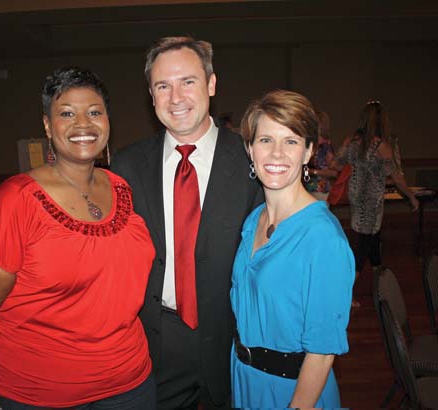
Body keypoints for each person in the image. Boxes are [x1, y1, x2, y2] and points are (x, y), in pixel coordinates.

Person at [0, 67, 157, 410]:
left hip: (130, 383)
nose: (83, 124)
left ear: (108, 121)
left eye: (94, 112)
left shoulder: (122, 187)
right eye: (67, 113)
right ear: (48, 126)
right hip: (42, 394)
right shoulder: (15, 201)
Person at [111, 36, 262, 410]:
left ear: (211, 84)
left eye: (188, 81)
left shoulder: (253, 161)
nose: (175, 97)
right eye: (163, 86)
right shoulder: (126, 167)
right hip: (158, 340)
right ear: (151, 95)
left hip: (235, 337)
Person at [230, 89, 355, 409]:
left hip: (294, 392)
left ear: (308, 151)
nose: (276, 153)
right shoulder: (253, 220)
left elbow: (322, 352)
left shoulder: (323, 239)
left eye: (291, 141)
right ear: (250, 148)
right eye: (265, 140)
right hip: (245, 382)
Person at [333, 100, 419, 307]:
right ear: (382, 121)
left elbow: (335, 164)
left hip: (357, 199)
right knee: (363, 246)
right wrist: (411, 196)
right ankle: (344, 294)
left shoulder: (353, 142)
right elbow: (397, 177)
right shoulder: (383, 146)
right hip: (370, 201)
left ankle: (380, 285)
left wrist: (351, 156)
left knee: (372, 240)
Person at [305, 110, 337, 201]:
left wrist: (313, 172)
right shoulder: (307, 143)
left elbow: (334, 172)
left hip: (321, 191)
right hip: (304, 190)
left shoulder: (325, 145)